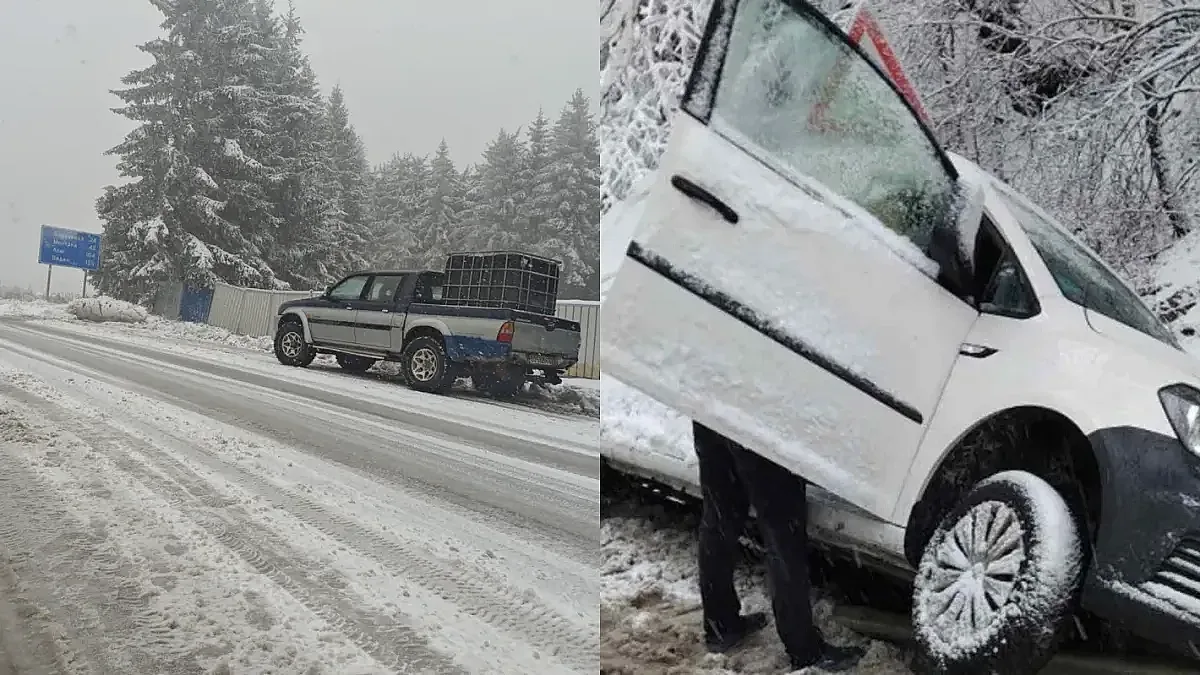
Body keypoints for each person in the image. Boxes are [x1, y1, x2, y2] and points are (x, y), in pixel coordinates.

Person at [693, 421, 864, 672]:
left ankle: (721, 624)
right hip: (762, 418)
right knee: (782, 532)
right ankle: (804, 649)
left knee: (720, 516)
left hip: (712, 411)